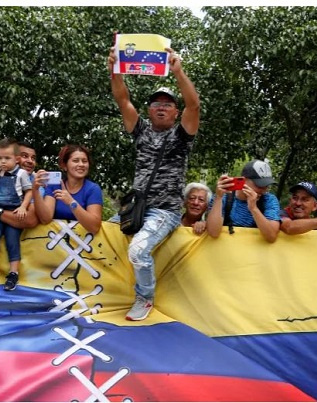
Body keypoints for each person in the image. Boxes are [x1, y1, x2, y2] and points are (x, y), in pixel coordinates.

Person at [108, 45, 200, 321]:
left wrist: (178, 72)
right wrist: (115, 68)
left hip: (164, 211)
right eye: (156, 103)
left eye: (168, 104)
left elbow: (194, 104)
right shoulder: (141, 132)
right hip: (135, 207)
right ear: (149, 110)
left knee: (137, 250)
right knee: (97, 234)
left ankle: (144, 298)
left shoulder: (182, 136)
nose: (162, 107)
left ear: (175, 112)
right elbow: (123, 100)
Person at [0, 138, 33, 292]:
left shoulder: (22, 173)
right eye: (0, 158)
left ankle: (13, 273)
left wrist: (24, 206)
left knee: (12, 241)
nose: (3, 161)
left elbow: (29, 191)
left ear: (17, 159)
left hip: (13, 212)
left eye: (7, 158)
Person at [33, 144, 103, 234]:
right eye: (75, 161)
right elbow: (45, 219)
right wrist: (35, 190)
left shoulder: (93, 189)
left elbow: (94, 227)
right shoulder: (54, 186)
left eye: (85, 161)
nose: (81, 164)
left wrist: (71, 202)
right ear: (64, 165)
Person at [206, 160, 281, 242]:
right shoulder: (224, 196)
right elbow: (213, 233)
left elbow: (271, 236)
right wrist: (218, 198)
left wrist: (254, 208)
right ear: (243, 180)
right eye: (259, 185)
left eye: (266, 186)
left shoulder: (269, 200)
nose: (263, 190)